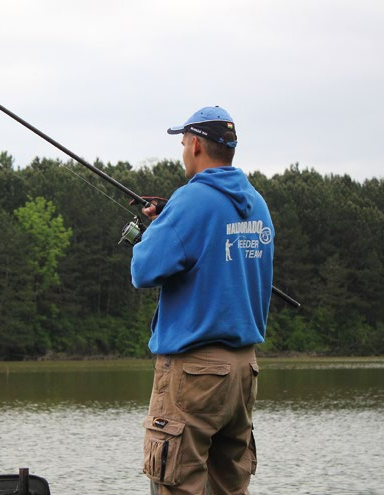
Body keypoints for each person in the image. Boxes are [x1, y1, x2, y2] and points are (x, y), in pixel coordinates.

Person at [131, 106, 274, 495]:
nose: (182, 151)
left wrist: (157, 227)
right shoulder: (257, 205)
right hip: (244, 371)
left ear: (195, 145)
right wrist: (170, 221)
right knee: (230, 487)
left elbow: (142, 270)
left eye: (182, 143)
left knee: (177, 483)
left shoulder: (191, 201)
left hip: (194, 374)